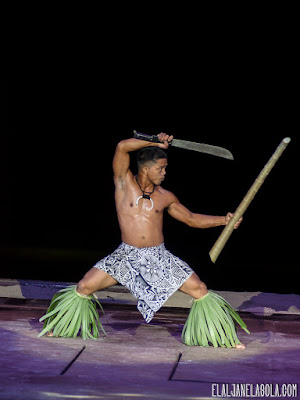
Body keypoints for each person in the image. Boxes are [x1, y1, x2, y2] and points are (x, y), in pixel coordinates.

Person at [39, 133, 249, 347]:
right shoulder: (124, 184)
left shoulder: (165, 196)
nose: (165, 173)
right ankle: (60, 326)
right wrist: (154, 142)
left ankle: (221, 337)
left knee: (200, 290)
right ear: (146, 169)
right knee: (84, 287)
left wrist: (224, 220)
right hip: (126, 255)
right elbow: (122, 147)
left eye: (165, 168)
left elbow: (191, 219)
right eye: (161, 168)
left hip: (158, 257)